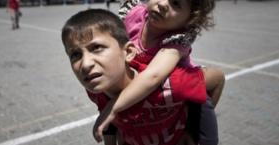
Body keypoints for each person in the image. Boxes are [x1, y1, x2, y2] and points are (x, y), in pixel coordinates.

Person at [94, 0, 225, 145]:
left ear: (191, 18)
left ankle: (194, 130)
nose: (163, 4)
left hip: (181, 89)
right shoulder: (133, 17)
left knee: (202, 111)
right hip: (148, 100)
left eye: (176, 4)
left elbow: (154, 76)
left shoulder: (178, 38)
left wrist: (113, 108)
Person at [61, 9, 207, 145]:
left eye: (97, 48)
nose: (85, 65)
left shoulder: (168, 85)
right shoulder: (95, 89)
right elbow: (107, 116)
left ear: (129, 52)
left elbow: (215, 80)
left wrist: (192, 130)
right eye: (75, 55)